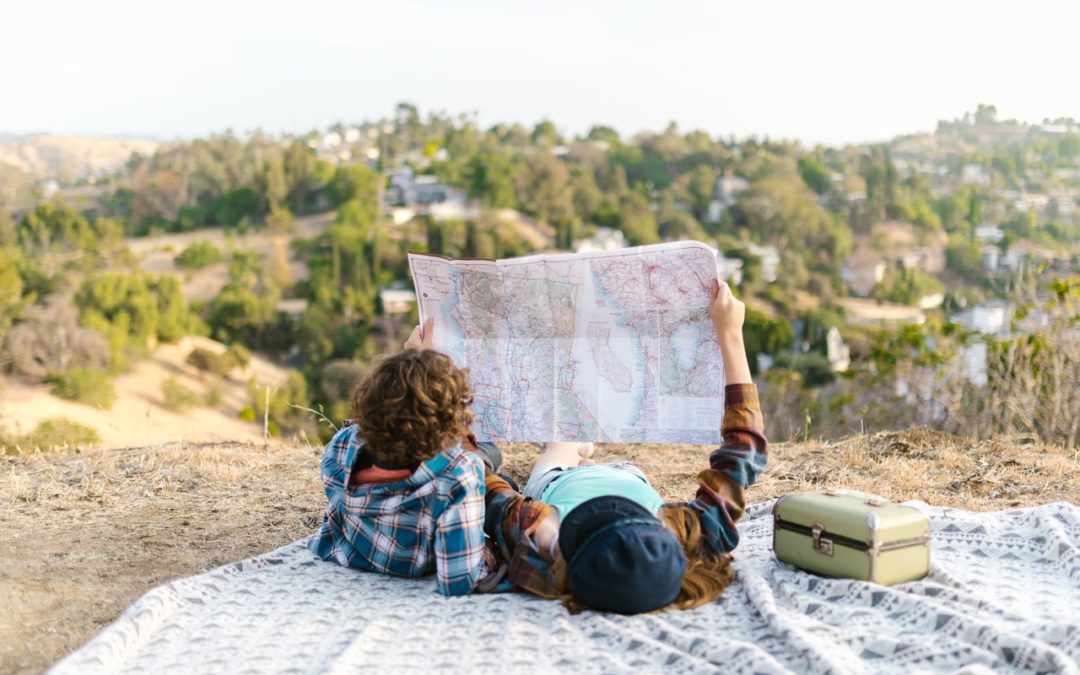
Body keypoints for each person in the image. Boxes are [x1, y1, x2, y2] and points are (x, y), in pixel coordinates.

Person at [483, 278, 768, 614]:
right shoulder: (694, 537)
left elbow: (476, 478)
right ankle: (579, 449)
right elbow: (745, 451)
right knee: (572, 445)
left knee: (561, 442)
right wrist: (731, 335)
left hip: (559, 481)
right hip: (628, 475)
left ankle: (572, 447)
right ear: (665, 536)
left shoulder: (538, 540)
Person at [309, 319, 503, 596]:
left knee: (487, 455)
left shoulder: (343, 445)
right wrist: (490, 550)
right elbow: (460, 579)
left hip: (352, 553)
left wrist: (414, 359)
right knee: (492, 460)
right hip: (414, 562)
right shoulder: (459, 474)